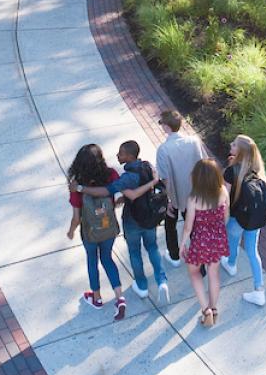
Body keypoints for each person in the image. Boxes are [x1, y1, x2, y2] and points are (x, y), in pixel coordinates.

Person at [71, 141, 169, 302]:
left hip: (133, 220)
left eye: (121, 153)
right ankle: (162, 281)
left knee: (134, 252)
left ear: (129, 156)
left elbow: (107, 191)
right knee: (152, 248)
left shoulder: (128, 177)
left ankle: (142, 286)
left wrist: (80, 188)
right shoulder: (147, 166)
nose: (117, 155)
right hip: (150, 217)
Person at [66, 144, 127, 320]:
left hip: (90, 232)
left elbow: (76, 217)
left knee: (92, 260)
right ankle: (120, 297)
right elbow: (120, 191)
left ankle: (97, 297)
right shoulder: (111, 174)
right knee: (107, 258)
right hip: (109, 228)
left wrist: (71, 231)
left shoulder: (77, 185)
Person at [154, 110, 210, 269]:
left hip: (175, 195)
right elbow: (205, 164)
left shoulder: (163, 149)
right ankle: (200, 260)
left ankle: (174, 255)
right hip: (194, 193)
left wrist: (169, 199)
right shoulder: (194, 141)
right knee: (193, 227)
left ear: (166, 127)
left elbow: (165, 178)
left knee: (170, 224)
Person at [180, 158, 230, 328]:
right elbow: (226, 217)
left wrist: (182, 243)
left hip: (200, 240)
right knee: (214, 273)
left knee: (194, 273)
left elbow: (188, 226)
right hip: (217, 237)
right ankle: (214, 308)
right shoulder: (223, 191)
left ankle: (205, 310)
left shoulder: (194, 198)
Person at [221, 135, 266, 306]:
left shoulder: (230, 172)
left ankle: (231, 264)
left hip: (236, 217)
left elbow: (225, 200)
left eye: (234, 144)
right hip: (254, 220)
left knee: (232, 240)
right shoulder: (258, 171)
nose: (230, 145)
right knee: (252, 251)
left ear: (239, 151)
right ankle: (259, 290)